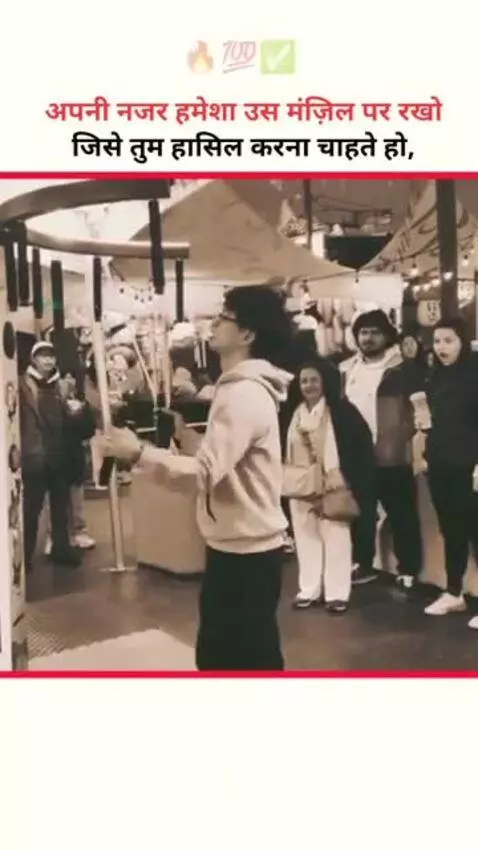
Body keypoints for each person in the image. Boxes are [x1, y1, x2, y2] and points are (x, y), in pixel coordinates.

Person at [99, 285, 294, 671]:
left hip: (247, 555)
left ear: (248, 334)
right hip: (237, 547)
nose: (215, 322)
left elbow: (204, 474)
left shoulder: (243, 395)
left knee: (238, 658)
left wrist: (138, 452)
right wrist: (188, 440)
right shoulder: (237, 390)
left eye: (225, 317)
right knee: (234, 654)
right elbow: (221, 462)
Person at [340, 310, 424, 591]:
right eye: (363, 332)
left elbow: (419, 408)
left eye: (374, 331)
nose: (368, 337)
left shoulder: (403, 368)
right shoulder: (347, 369)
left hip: (392, 452)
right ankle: (362, 563)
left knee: (401, 514)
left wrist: (405, 436)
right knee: (361, 514)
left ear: (387, 335)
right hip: (357, 455)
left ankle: (408, 568)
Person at [286, 357, 376, 613]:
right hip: (300, 484)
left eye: (314, 379)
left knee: (336, 536)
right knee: (305, 537)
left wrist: (351, 478)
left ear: (325, 381)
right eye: (304, 380)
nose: (309, 385)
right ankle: (309, 589)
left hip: (333, 483)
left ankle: (337, 593)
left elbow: (361, 445)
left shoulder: (342, 411)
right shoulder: (293, 413)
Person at [418, 318, 478, 620]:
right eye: (438, 340)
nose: (442, 347)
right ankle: (454, 592)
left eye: (449, 340)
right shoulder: (434, 377)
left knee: (475, 531)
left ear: (462, 342)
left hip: (470, 465)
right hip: (440, 463)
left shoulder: (474, 374)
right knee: (451, 530)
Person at [19, 342, 85, 570]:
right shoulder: (22, 385)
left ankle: (61, 549)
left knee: (61, 507)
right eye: (42, 356)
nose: (48, 361)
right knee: (31, 509)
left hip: (59, 453)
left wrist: (76, 412)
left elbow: (71, 419)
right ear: (33, 359)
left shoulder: (63, 385)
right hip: (35, 455)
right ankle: (24, 556)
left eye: (51, 356)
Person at [43, 373, 96, 553]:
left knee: (76, 497)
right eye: (65, 378)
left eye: (72, 378)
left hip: (74, 456)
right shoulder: (48, 401)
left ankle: (78, 531)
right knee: (55, 500)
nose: (68, 382)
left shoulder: (81, 404)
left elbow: (89, 430)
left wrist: (80, 412)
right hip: (55, 455)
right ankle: (54, 536)